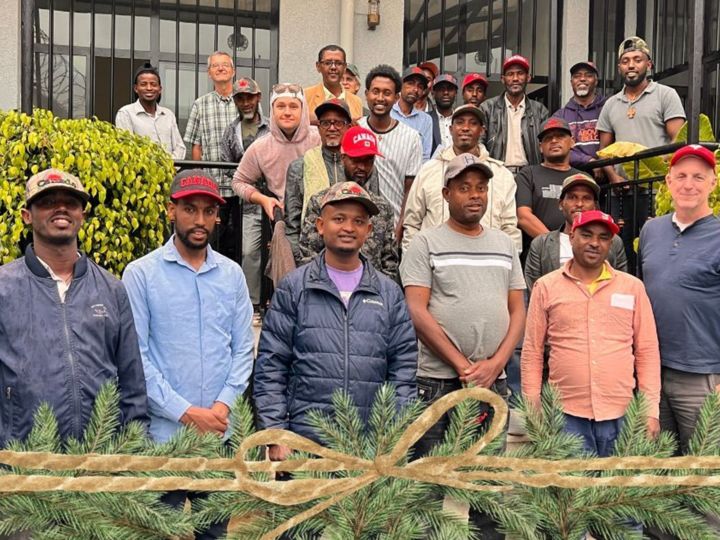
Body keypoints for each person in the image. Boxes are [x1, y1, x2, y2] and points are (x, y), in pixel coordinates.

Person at [122, 170, 254, 539]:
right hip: (162, 439)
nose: (200, 221)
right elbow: (137, 358)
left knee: (214, 533)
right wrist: (185, 412)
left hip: (217, 437)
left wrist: (222, 407)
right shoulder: (141, 275)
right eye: (190, 209)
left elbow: (243, 351)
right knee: (154, 531)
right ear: (171, 211)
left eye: (209, 212)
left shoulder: (232, 275)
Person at [401, 153, 525, 537]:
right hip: (438, 382)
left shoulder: (504, 244)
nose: (475, 196)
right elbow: (416, 311)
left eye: (481, 188)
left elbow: (518, 309)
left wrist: (495, 364)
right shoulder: (425, 243)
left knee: (486, 483)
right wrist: (463, 366)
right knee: (427, 484)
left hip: (492, 383)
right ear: (445, 193)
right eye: (464, 188)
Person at [254, 181, 417, 454]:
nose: (348, 228)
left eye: (358, 221)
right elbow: (271, 366)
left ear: (369, 230)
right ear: (320, 225)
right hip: (303, 445)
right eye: (338, 219)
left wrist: (394, 436)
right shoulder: (295, 288)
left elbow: (402, 370)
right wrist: (276, 433)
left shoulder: (388, 293)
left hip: (368, 448)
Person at [0, 168, 149, 447]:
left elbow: (133, 386)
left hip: (98, 463)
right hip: (22, 463)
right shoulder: (4, 289)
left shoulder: (112, 290)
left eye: (71, 203)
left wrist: (134, 451)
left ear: (82, 214)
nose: (61, 209)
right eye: (46, 202)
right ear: (26, 215)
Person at [522, 209, 660, 458]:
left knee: (618, 494)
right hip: (565, 415)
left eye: (603, 237)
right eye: (587, 235)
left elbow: (647, 352)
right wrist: (532, 406)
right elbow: (532, 351)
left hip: (622, 413)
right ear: (572, 236)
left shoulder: (632, 288)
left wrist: (650, 411)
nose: (595, 243)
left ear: (611, 243)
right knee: (571, 494)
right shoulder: (546, 287)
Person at [639, 145, 720, 455]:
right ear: (668, 181)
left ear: (712, 183)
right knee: (659, 474)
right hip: (653, 373)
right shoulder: (651, 230)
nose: (689, 184)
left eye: (699, 177)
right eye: (682, 175)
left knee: (704, 477)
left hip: (703, 377)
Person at [597, 37, 687, 273]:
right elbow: (603, 151)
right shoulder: (611, 105)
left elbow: (679, 141)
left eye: (637, 59)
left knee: (656, 252)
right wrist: (613, 177)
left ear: (649, 64)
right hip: (621, 193)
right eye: (625, 61)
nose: (631, 65)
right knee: (621, 251)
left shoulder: (665, 95)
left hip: (656, 191)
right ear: (619, 68)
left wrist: (663, 174)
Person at [231, 83, 321, 306]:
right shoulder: (261, 147)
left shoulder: (317, 138)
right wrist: (262, 199)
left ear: (303, 110)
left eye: (293, 106)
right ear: (272, 110)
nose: (287, 112)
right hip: (279, 216)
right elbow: (238, 181)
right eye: (280, 106)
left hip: (317, 215)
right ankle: (252, 305)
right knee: (250, 252)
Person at [402, 104, 521, 253]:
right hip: (436, 265)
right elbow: (412, 224)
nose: (465, 128)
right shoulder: (429, 170)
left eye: (473, 123)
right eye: (459, 122)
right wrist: (414, 264)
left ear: (482, 130)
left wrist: (507, 265)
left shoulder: (501, 175)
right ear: (450, 130)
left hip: (487, 264)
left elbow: (510, 228)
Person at [298, 127, 398, 279]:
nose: (362, 167)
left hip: (371, 293)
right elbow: (308, 257)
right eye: (356, 160)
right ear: (343, 157)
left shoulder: (382, 208)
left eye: (368, 161)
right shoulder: (320, 202)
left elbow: (389, 263)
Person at [524, 173, 627, 290]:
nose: (579, 204)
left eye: (587, 198)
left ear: (595, 206)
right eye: (572, 197)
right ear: (561, 204)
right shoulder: (541, 244)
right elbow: (533, 292)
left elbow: (621, 286)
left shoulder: (614, 241)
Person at [285, 99, 352, 262]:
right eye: (326, 123)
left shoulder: (359, 164)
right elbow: (292, 224)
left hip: (352, 255)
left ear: (348, 127)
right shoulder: (300, 166)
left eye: (338, 123)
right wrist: (301, 260)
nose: (332, 128)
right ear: (319, 127)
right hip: (312, 256)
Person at [215, 78, 270, 277]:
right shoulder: (231, 130)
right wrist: (246, 178)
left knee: (274, 249)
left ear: (258, 98)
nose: (246, 103)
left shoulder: (272, 128)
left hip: (273, 198)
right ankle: (252, 300)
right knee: (248, 252)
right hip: (246, 203)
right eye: (240, 99)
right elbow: (226, 163)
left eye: (250, 97)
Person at [358, 64, 423, 227]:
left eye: (387, 93)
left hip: (392, 227)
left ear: (396, 97)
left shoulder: (411, 137)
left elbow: (410, 190)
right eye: (375, 91)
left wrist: (401, 226)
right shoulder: (355, 130)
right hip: (357, 226)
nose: (380, 98)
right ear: (366, 94)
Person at [515, 117, 582, 255]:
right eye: (548, 138)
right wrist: (557, 246)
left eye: (560, 136)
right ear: (540, 147)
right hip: (540, 253)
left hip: (579, 253)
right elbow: (523, 217)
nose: (554, 141)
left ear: (572, 142)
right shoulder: (528, 174)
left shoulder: (583, 178)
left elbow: (592, 216)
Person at [480, 55, 549, 170]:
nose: (515, 78)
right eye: (510, 74)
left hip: (530, 174)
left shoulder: (540, 110)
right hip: (497, 174)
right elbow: (479, 142)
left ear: (528, 78)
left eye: (520, 73)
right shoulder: (487, 108)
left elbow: (546, 145)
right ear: (503, 79)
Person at [184, 51, 238, 193]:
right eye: (215, 66)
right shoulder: (200, 104)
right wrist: (199, 178)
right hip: (212, 184)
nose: (221, 68)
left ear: (233, 71)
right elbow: (196, 146)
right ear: (209, 73)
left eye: (225, 65)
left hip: (242, 184)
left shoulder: (246, 101)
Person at [115, 62, 186, 159]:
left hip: (171, 172)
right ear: (136, 88)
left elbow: (180, 147)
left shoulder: (168, 115)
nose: (149, 88)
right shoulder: (125, 113)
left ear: (160, 89)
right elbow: (127, 148)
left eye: (153, 84)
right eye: (143, 84)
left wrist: (169, 166)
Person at [551, 61, 607, 170]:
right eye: (577, 76)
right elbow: (557, 148)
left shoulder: (608, 108)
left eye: (588, 75)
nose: (582, 79)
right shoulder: (561, 116)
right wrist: (589, 161)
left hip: (608, 176)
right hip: (574, 176)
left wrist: (602, 165)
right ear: (571, 82)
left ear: (596, 81)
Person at [304, 44, 364, 123]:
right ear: (318, 66)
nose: (333, 67)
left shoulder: (356, 101)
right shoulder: (305, 96)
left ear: (344, 67)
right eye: (328, 63)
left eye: (338, 63)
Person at [390, 67, 434, 162]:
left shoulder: (426, 120)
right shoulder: (388, 112)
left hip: (414, 174)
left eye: (420, 86)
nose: (415, 89)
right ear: (401, 85)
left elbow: (425, 156)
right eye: (410, 83)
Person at [429, 73, 458, 153]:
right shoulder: (426, 119)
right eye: (441, 89)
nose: (446, 92)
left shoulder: (461, 119)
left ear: (456, 93)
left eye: (450, 89)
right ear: (433, 94)